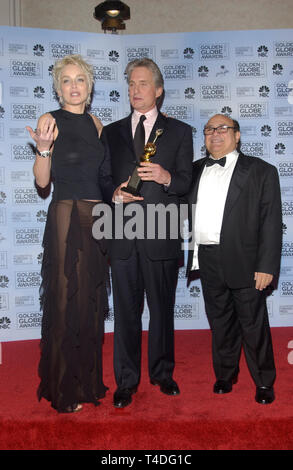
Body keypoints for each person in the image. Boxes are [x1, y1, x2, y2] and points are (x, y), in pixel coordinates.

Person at [102, 58, 193, 408]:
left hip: (162, 232)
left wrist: (167, 177)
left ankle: (162, 373)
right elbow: (103, 178)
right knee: (126, 312)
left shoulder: (180, 131)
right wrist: (114, 193)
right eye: (130, 84)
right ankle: (125, 381)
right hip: (122, 234)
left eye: (141, 84)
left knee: (161, 309)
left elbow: (186, 181)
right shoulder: (110, 132)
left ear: (157, 90)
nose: (134, 90)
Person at [26, 54, 113, 413]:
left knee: (89, 303)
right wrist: (43, 149)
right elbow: (43, 182)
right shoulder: (50, 120)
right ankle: (64, 388)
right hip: (66, 212)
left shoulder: (96, 123)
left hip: (97, 217)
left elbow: (104, 176)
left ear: (89, 87)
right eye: (67, 80)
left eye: (80, 79)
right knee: (64, 301)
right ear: (58, 87)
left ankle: (86, 382)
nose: (74, 86)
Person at [186, 113, 282, 404]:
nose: (215, 134)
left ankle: (264, 381)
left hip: (247, 260)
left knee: (253, 324)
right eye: (209, 130)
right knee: (221, 322)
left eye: (222, 128)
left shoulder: (261, 171)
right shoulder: (192, 170)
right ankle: (225, 374)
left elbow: (271, 221)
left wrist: (266, 266)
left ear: (237, 135)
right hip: (208, 257)